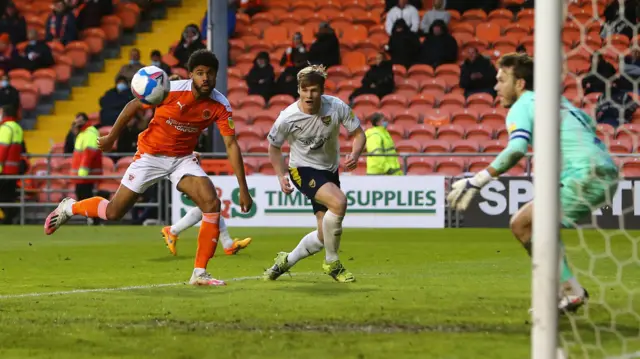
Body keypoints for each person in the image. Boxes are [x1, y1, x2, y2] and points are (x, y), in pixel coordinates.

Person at [44, 49, 254, 287]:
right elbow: (134, 105)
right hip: (150, 155)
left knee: (211, 203)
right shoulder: (169, 90)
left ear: (216, 76)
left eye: (210, 74)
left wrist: (243, 189)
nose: (205, 78)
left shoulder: (220, 105)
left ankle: (199, 273)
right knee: (114, 212)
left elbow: (231, 145)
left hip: (182, 159)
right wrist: (112, 136)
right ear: (190, 75)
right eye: (199, 73)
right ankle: (70, 207)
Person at [446, 52, 619, 314]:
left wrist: (477, 180)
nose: (496, 87)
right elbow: (589, 126)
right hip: (605, 171)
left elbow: (516, 149)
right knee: (527, 224)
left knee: (525, 224)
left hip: (583, 173)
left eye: (502, 80)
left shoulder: (523, 104)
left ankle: (569, 291)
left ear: (520, 84)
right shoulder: (558, 101)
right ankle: (568, 290)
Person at [262, 64, 367, 283]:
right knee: (339, 203)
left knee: (323, 236)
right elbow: (273, 147)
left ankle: (285, 261)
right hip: (302, 169)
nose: (309, 95)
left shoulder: (336, 107)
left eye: (314, 90)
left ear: (322, 90)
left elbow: (358, 134)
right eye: (305, 89)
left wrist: (355, 154)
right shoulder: (287, 118)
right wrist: (281, 175)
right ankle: (332, 263)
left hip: (329, 171)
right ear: (298, 90)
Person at [161, 151, 253, 256]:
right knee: (209, 205)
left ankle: (228, 244)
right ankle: (172, 231)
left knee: (210, 206)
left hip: (184, 168)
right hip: (178, 170)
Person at [0, 104, 24, 225]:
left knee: (4, 197)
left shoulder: (6, 128)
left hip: (4, 169)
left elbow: (2, 149)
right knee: (8, 196)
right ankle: (9, 218)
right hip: (14, 169)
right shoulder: (17, 128)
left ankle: (11, 215)